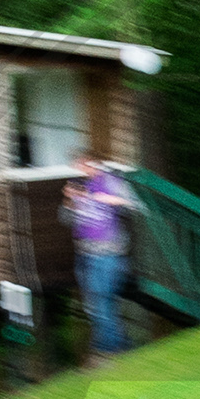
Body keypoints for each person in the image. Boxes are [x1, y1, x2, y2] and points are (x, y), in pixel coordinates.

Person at [64, 152, 133, 362]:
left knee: (101, 299)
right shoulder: (82, 185)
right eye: (79, 166)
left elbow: (133, 204)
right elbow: (67, 219)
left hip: (107, 253)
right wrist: (71, 201)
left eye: (84, 165)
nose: (81, 170)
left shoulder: (110, 182)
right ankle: (116, 344)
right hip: (85, 254)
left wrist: (112, 200)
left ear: (94, 163)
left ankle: (108, 349)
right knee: (93, 303)